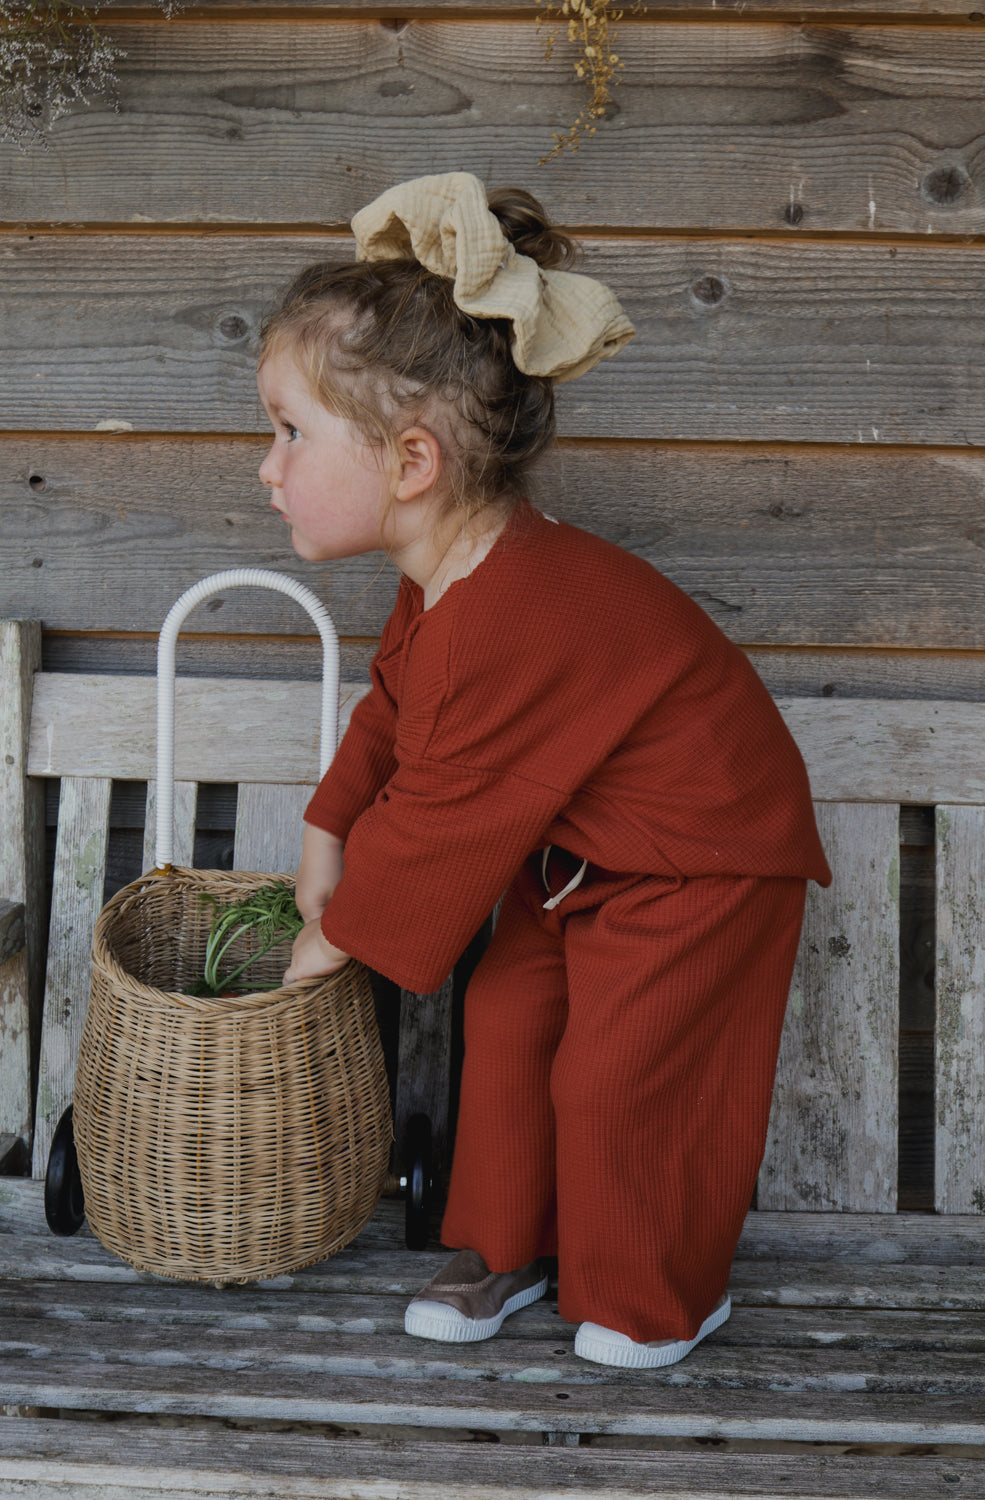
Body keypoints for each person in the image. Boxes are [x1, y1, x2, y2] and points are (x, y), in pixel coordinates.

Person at [256, 172, 831, 1370]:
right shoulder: (448, 583)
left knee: (621, 1077)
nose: (268, 466)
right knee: (511, 1024)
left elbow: (440, 822)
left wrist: (338, 936)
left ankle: (655, 1294)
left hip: (699, 857)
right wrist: (325, 832)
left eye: (289, 432)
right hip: (578, 855)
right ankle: (507, 1247)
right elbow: (396, 720)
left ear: (410, 462)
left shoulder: (515, 608)